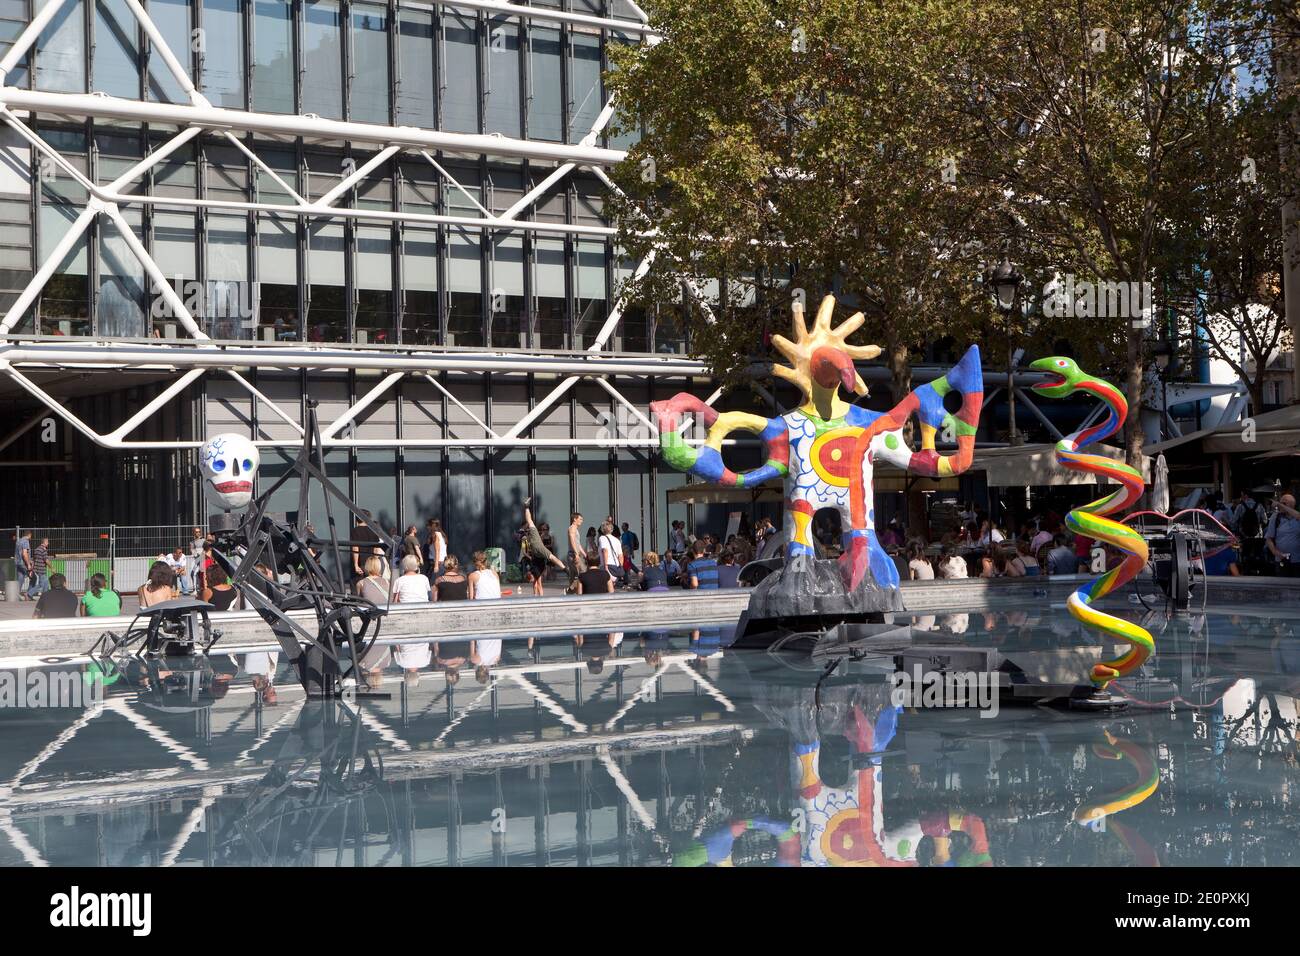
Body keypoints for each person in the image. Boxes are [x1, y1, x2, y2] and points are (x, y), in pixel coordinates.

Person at [520, 497, 566, 595]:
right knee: (538, 582)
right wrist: (565, 569)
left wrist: (527, 507)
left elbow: (554, 559)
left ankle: (538, 596)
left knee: (538, 582)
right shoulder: (533, 536)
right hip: (536, 559)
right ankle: (537, 596)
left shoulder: (533, 537)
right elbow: (554, 559)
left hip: (537, 558)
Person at [1265, 493, 1300, 577]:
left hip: (1297, 560)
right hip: (1281, 560)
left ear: (1292, 505)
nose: (1280, 505)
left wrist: (1280, 504)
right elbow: (1269, 538)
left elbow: (1298, 516)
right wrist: (1275, 552)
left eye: (1284, 503)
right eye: (1280, 503)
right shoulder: (1276, 517)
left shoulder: (1297, 517)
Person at [27, 536, 50, 600]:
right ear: (44, 542)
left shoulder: (37, 549)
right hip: (41, 569)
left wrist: (32, 568)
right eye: (47, 542)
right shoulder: (43, 550)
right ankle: (29, 593)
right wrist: (52, 567)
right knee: (41, 584)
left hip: (37, 568)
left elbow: (34, 559)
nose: (48, 543)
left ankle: (45, 597)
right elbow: (46, 560)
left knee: (46, 583)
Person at [13, 530, 33, 601]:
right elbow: (24, 554)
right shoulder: (25, 541)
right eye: (31, 536)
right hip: (23, 563)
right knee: (34, 577)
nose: (31, 537)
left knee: (20, 578)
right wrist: (28, 564)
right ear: (29, 535)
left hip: (17, 562)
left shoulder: (18, 541)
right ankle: (29, 594)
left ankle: (16, 594)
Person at [189, 526, 206, 593]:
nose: (198, 533)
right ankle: (195, 589)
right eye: (196, 532)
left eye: (199, 532)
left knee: (200, 573)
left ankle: (200, 588)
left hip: (202, 558)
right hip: (196, 558)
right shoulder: (192, 542)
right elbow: (192, 549)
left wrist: (202, 554)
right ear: (194, 533)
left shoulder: (203, 540)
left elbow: (206, 548)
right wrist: (195, 554)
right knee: (193, 573)